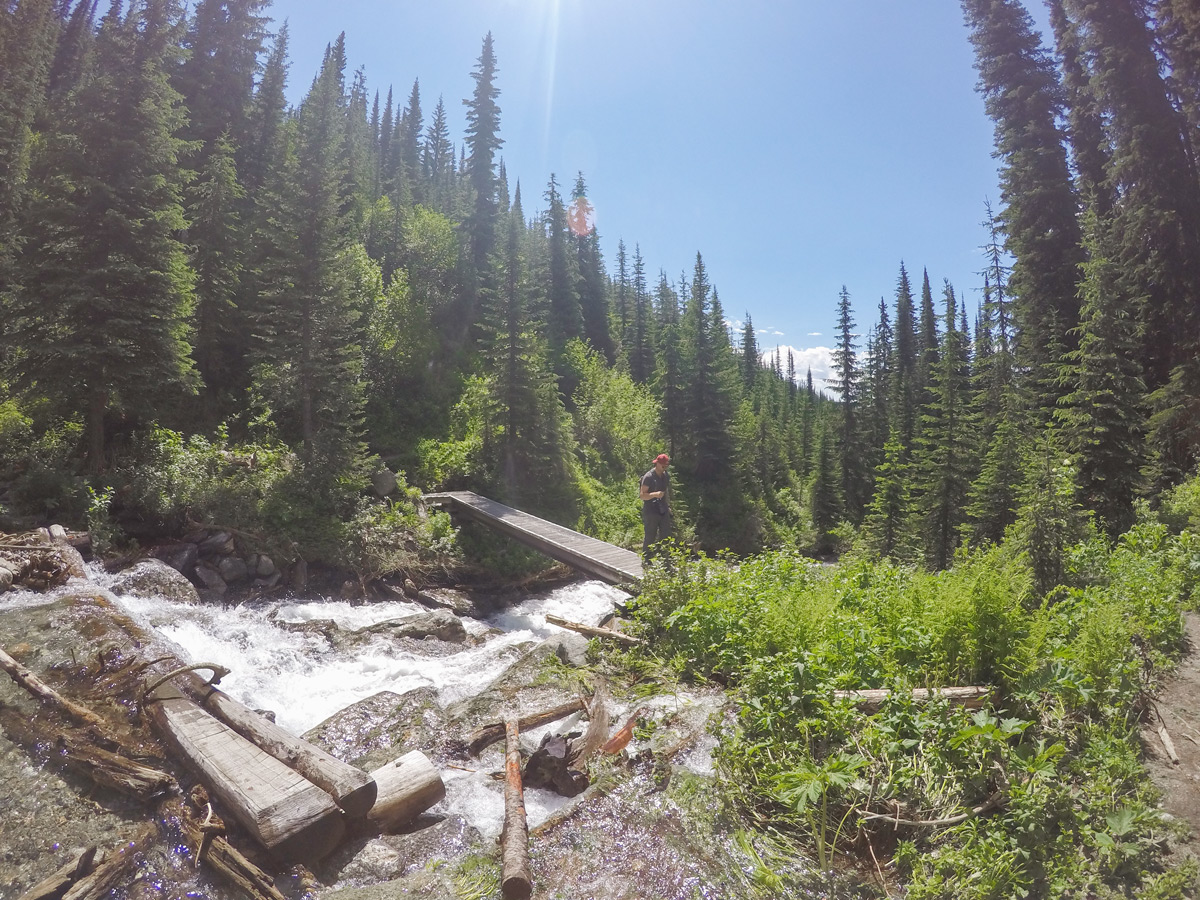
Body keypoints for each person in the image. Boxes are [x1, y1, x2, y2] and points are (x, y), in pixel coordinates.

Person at [639, 453, 672, 557]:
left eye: (666, 466)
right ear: (657, 464)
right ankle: (646, 560)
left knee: (666, 536)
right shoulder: (648, 477)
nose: (664, 468)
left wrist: (668, 506)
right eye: (663, 466)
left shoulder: (665, 475)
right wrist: (655, 495)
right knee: (650, 537)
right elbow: (642, 495)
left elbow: (666, 491)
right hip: (651, 511)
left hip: (663, 509)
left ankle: (665, 560)